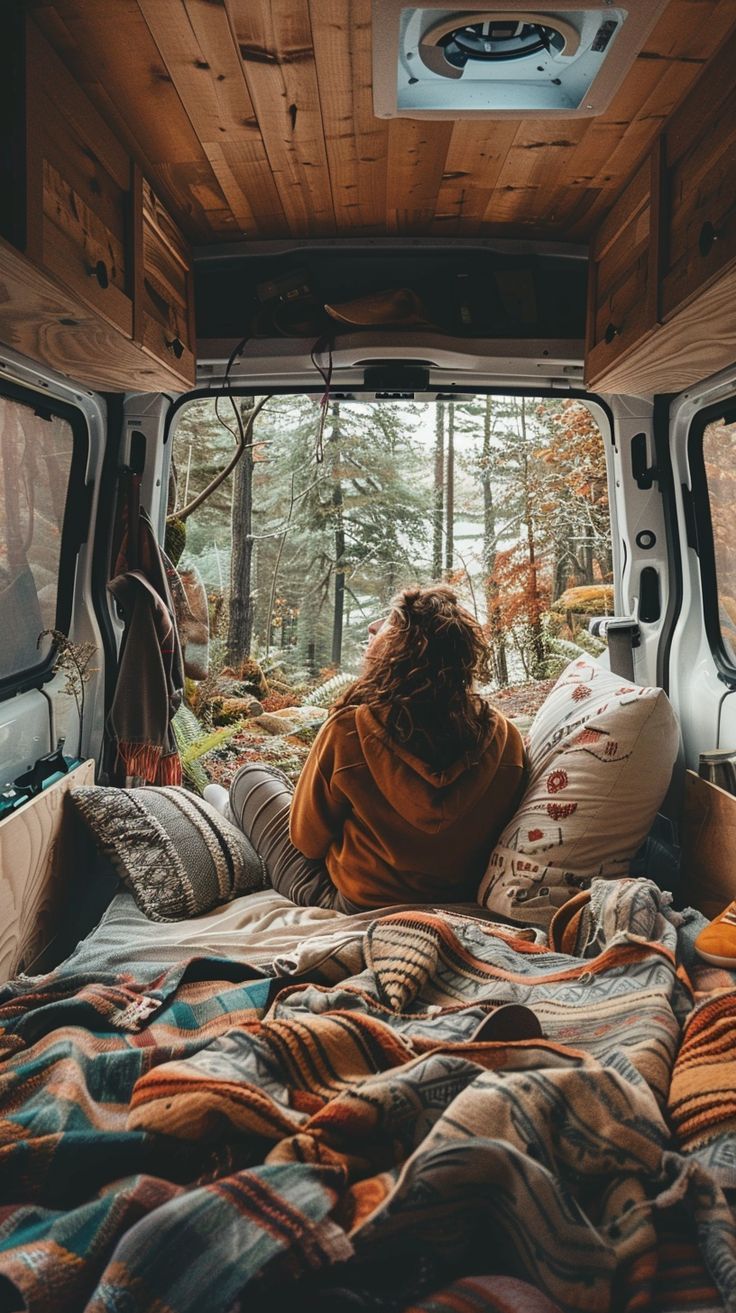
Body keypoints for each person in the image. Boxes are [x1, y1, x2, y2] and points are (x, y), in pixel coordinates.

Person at [229, 584, 527, 912]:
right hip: (456, 899)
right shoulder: (505, 738)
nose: (373, 627)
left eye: (389, 621)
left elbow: (306, 843)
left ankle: (224, 813)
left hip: (354, 902)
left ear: (400, 648)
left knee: (249, 780)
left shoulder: (351, 729)